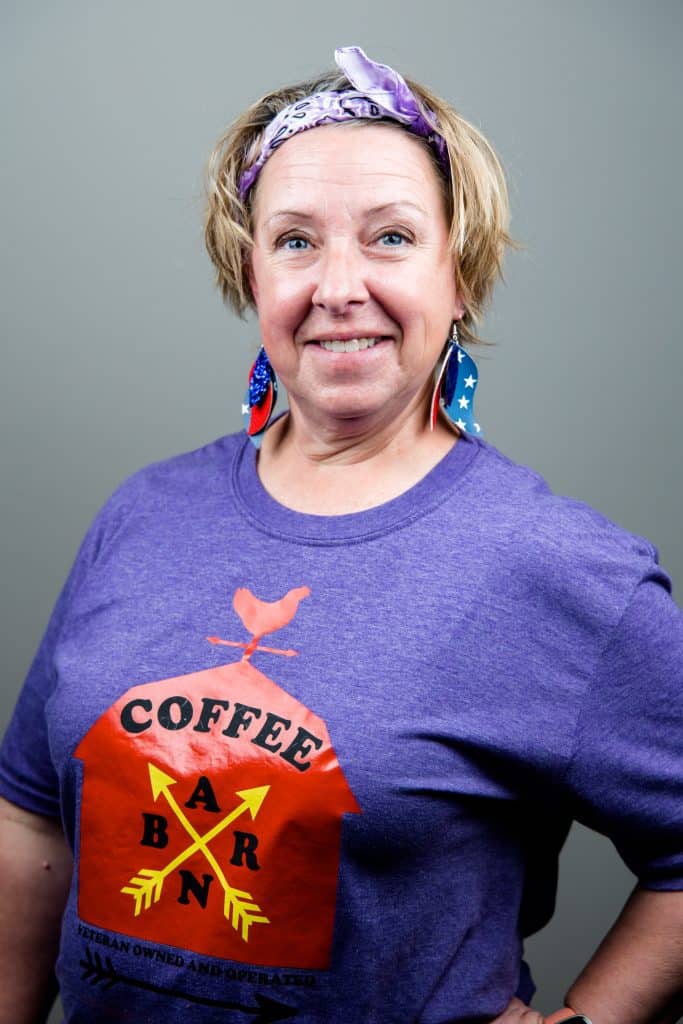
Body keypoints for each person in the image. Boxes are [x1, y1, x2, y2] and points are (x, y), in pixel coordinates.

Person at [0, 44, 681, 1024]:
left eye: (390, 237)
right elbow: (28, 809)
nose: (337, 285)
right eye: (294, 241)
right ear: (251, 272)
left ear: (461, 273)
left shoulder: (552, 567)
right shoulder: (142, 516)